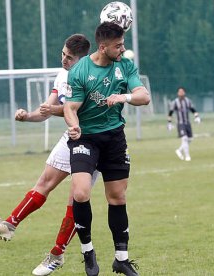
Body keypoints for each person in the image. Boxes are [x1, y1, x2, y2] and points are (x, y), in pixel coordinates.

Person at [0, 34, 95, 275]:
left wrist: (52, 110)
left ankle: (57, 253)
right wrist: (27, 116)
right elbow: (46, 109)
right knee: (44, 182)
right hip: (70, 137)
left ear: (82, 60)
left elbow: (76, 108)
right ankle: (9, 225)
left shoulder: (90, 75)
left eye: (69, 58)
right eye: (62, 54)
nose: (63, 60)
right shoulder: (62, 75)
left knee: (76, 199)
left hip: (92, 141)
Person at [63, 22, 150, 276]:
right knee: (80, 193)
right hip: (85, 138)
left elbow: (144, 97)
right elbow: (70, 107)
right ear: (103, 47)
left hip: (114, 137)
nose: (122, 49)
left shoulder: (125, 65)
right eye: (118, 46)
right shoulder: (79, 71)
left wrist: (124, 97)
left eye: (122, 44)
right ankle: (88, 253)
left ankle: (121, 259)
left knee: (117, 197)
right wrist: (75, 126)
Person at [167, 87, 201, 162]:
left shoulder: (187, 101)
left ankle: (179, 150)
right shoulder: (175, 102)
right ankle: (187, 156)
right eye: (180, 92)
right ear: (178, 93)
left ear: (184, 93)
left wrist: (197, 117)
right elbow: (170, 113)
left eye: (182, 92)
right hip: (180, 124)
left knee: (190, 139)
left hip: (187, 123)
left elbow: (193, 110)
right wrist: (169, 123)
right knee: (184, 138)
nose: (181, 93)